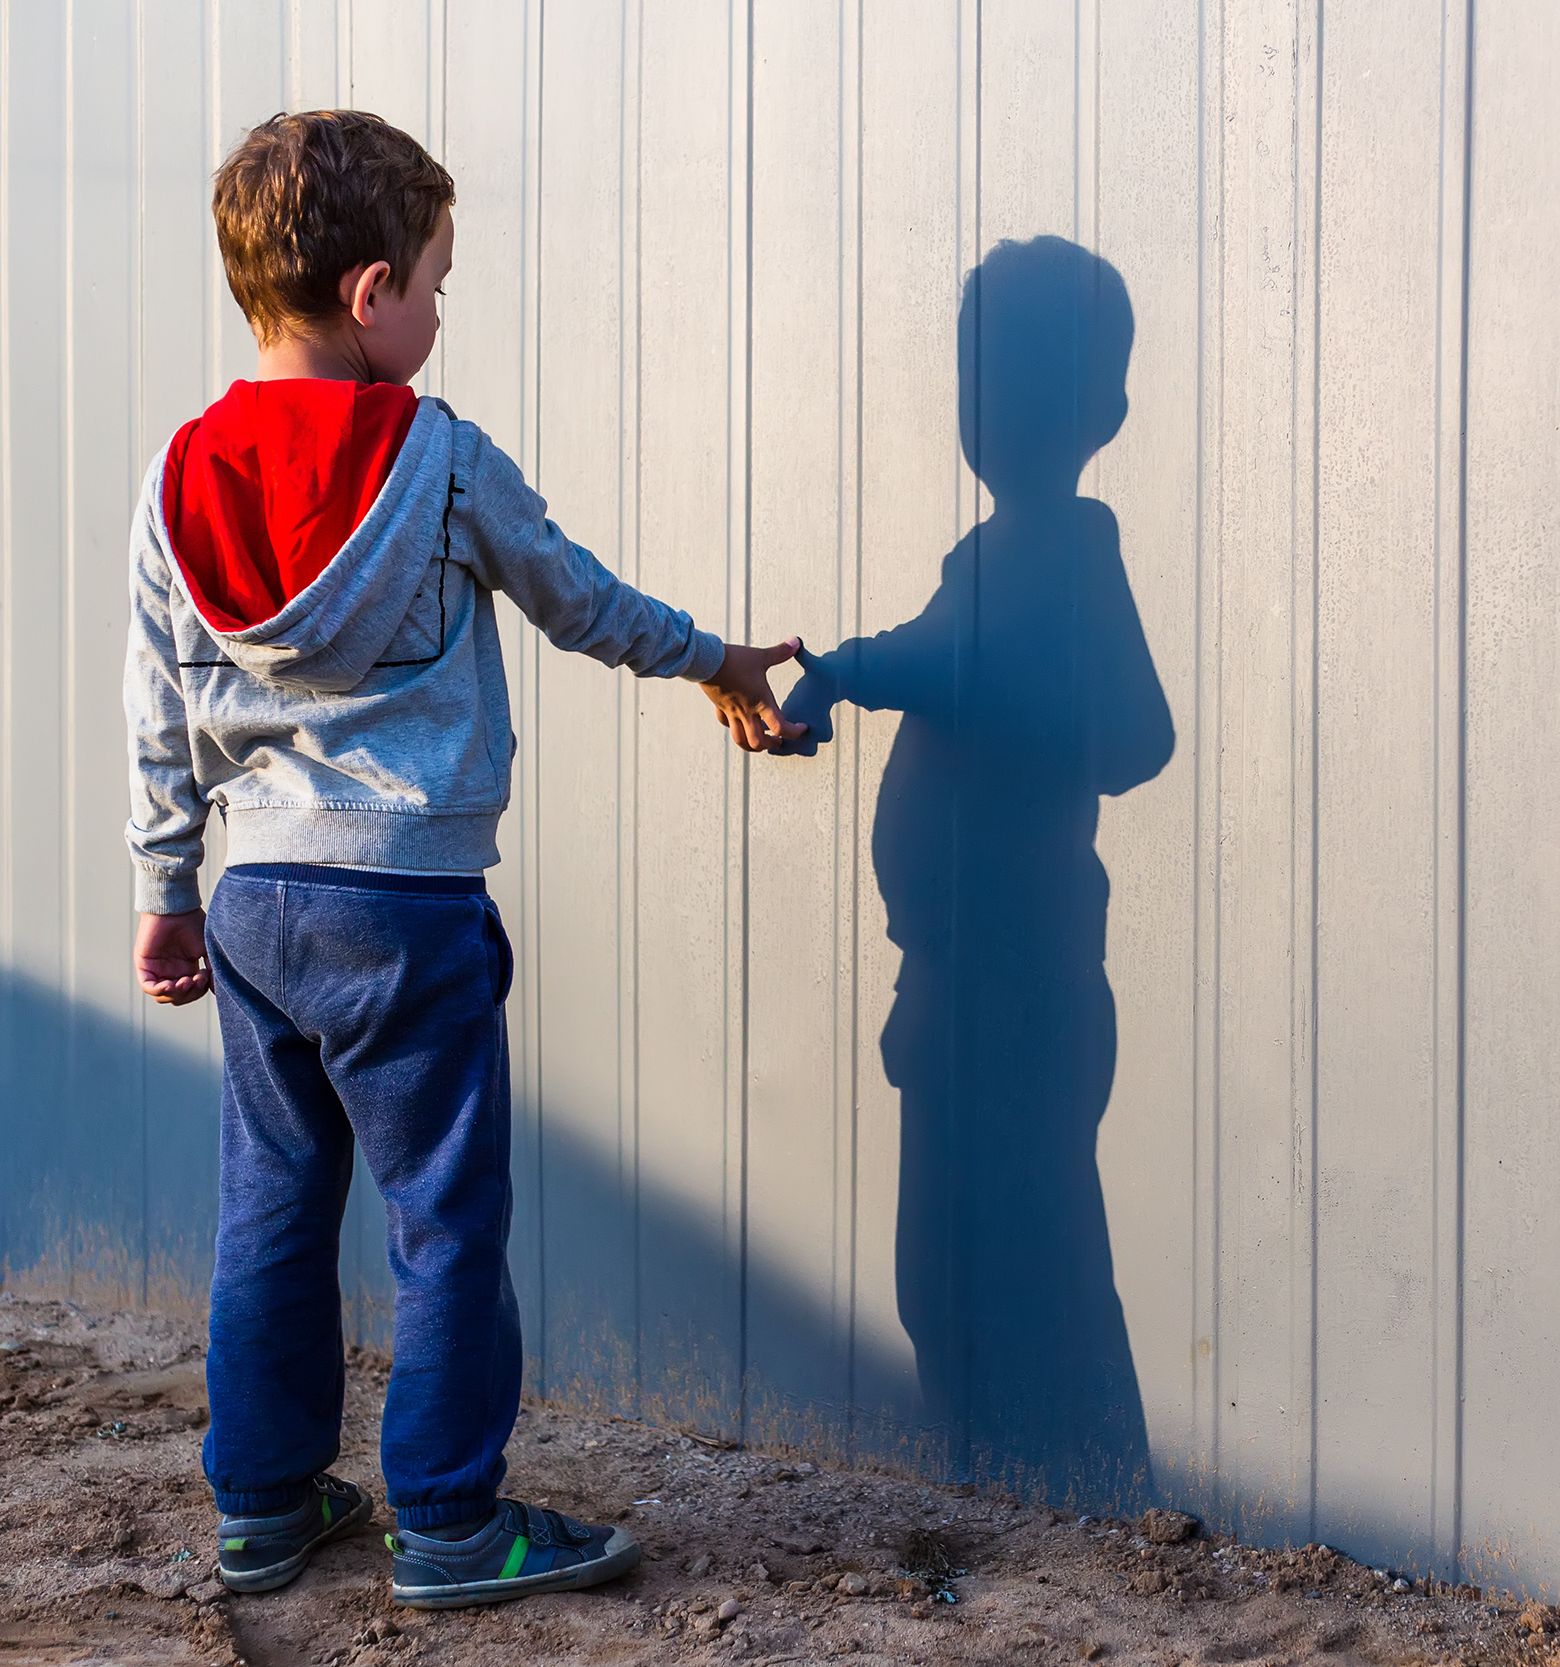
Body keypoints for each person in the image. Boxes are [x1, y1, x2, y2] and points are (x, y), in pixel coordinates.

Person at [122, 109, 802, 1609]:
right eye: (435, 280)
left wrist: (166, 887)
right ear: (370, 295)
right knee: (443, 1213)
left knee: (272, 1203)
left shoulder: (181, 474)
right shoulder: (433, 456)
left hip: (254, 902)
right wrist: (712, 658)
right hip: (404, 905)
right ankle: (444, 1517)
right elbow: (575, 594)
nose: (439, 309)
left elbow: (157, 702)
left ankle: (263, 1500)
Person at [783, 236, 1172, 1504]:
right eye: (975, 378)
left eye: (1006, 379)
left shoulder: (1066, 553)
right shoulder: (996, 559)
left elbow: (1130, 731)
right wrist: (851, 666)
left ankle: (1087, 1494)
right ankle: (1018, 1480)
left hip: (1019, 977)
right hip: (962, 978)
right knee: (958, 1262)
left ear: (1097, 413)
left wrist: (871, 669)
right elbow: (942, 647)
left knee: (1019, 1256)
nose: (983, 408)